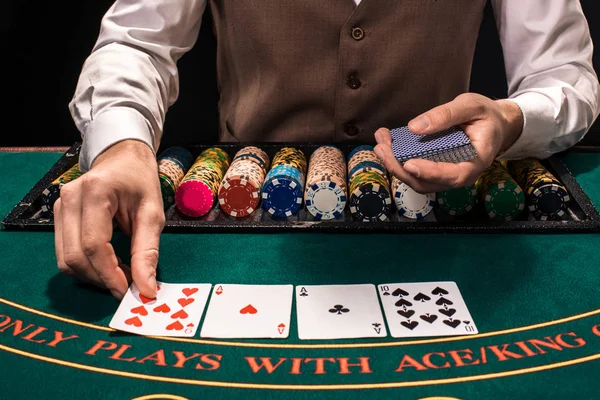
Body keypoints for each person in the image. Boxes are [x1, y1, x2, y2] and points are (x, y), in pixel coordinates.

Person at [55, 0, 600, 300]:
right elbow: (135, 43)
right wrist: (122, 146)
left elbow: (564, 76)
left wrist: (509, 120)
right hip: (246, 211)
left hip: (436, 209)